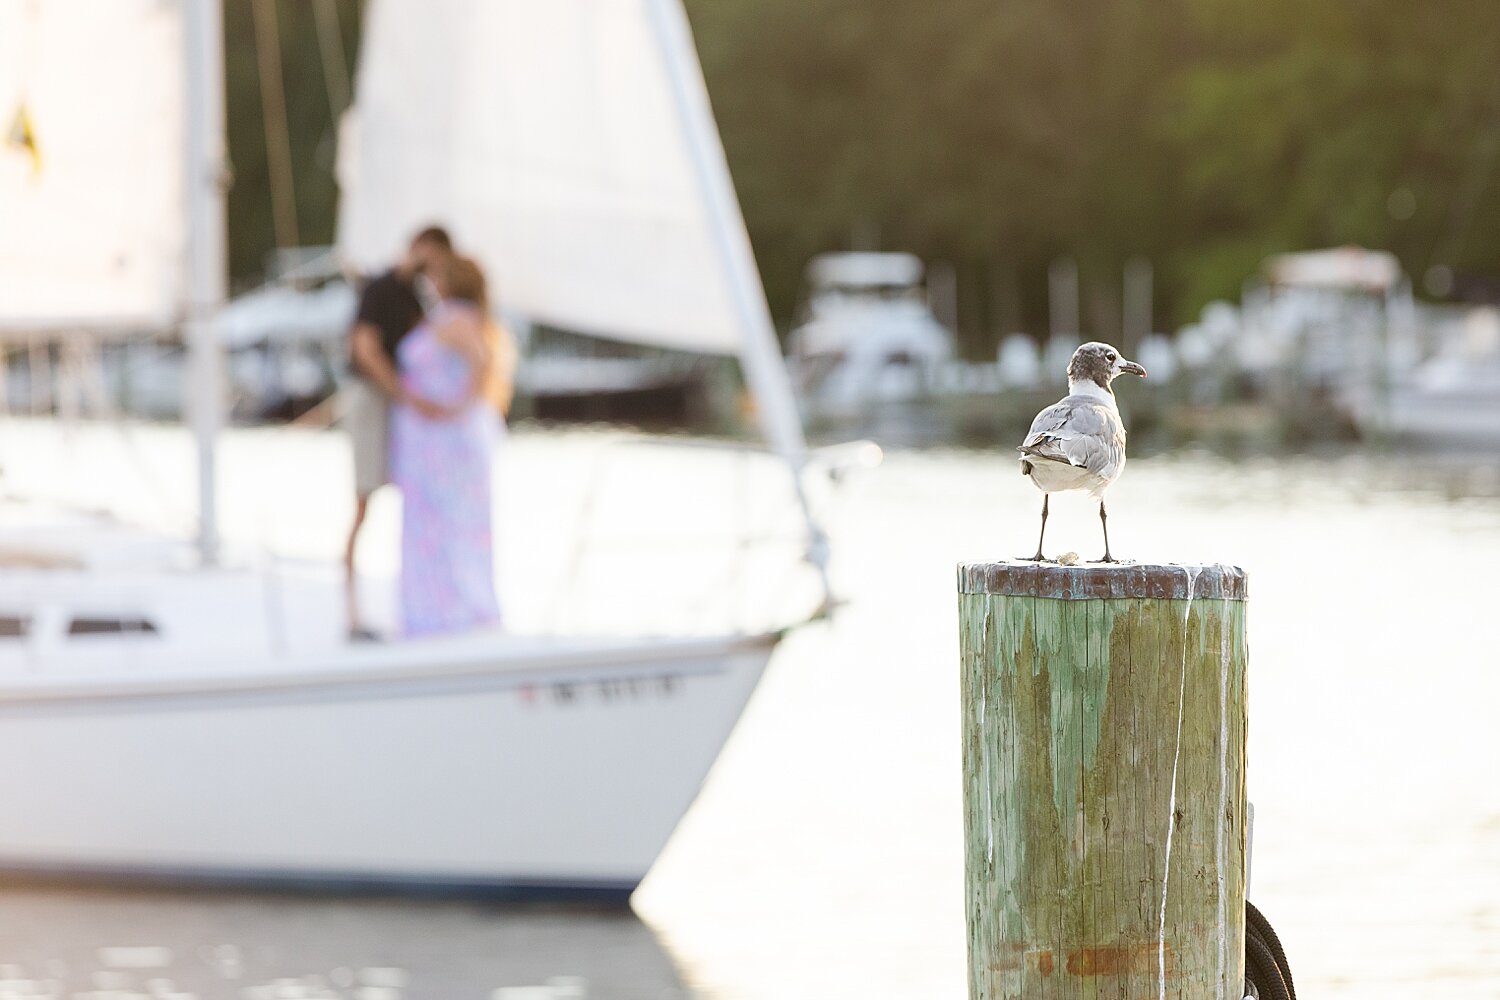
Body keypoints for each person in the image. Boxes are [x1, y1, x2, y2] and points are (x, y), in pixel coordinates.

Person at [390, 255, 517, 638]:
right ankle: (439, 607)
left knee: (447, 525)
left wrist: (455, 405)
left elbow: (482, 363)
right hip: (434, 442)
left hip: (445, 445)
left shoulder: (456, 318)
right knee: (440, 525)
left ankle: (450, 609)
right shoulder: (454, 316)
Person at [343, 225, 454, 640]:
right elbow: (365, 349)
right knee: (363, 502)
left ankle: (417, 599)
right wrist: (405, 394)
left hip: (400, 406)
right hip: (375, 401)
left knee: (416, 502)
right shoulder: (381, 287)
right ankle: (352, 610)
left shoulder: (417, 296)